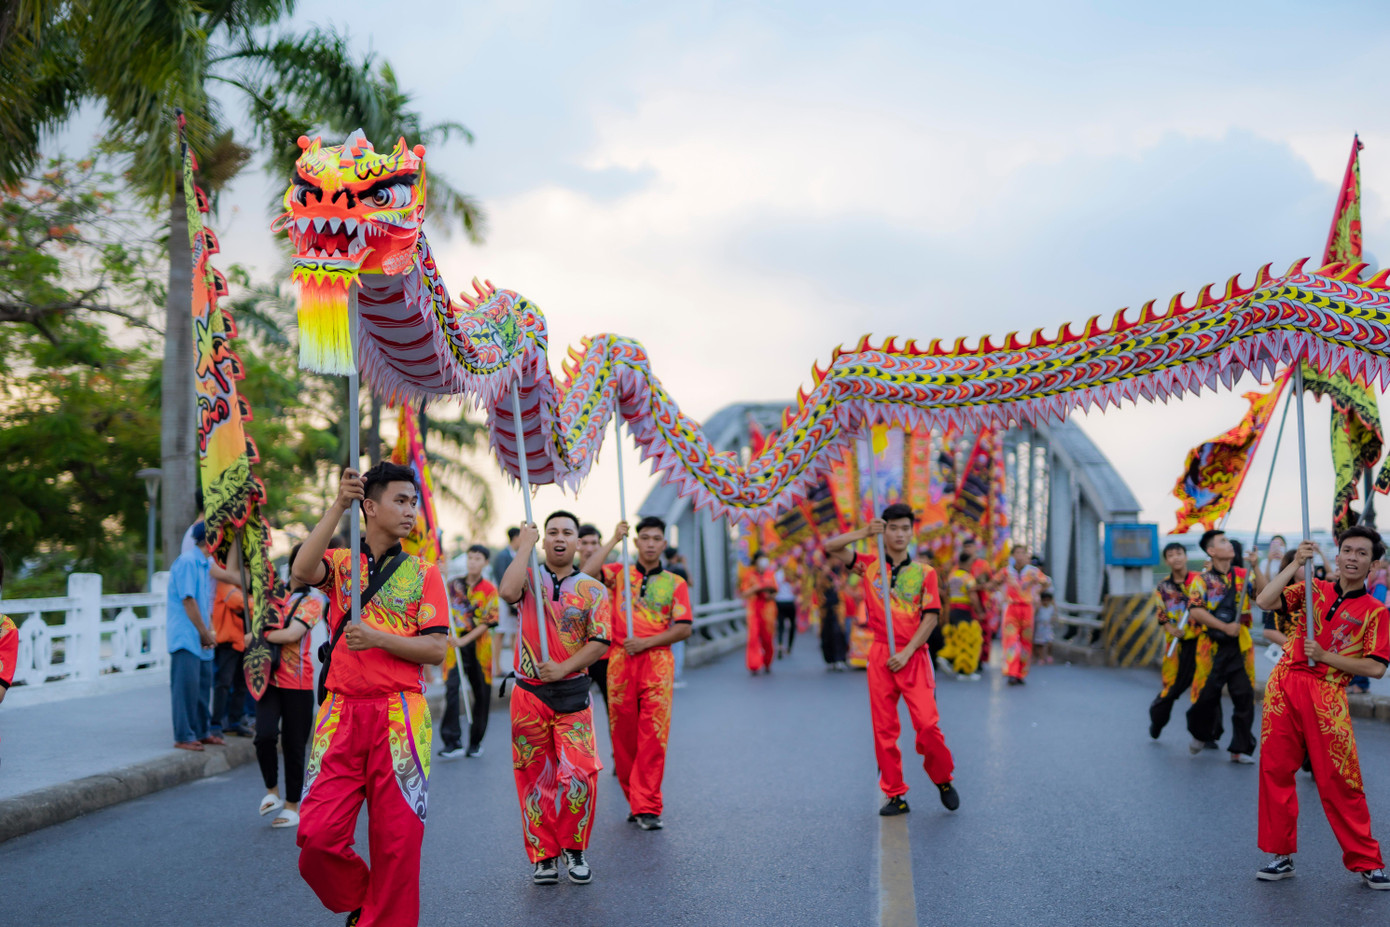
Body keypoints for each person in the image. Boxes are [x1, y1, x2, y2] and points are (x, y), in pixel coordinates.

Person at [291, 463, 448, 927]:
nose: (409, 510)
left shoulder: (425, 573)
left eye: (412, 502)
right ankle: (364, 896)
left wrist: (378, 638)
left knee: (397, 845)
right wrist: (339, 503)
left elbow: (436, 648)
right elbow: (301, 570)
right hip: (340, 714)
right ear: (371, 506)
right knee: (316, 836)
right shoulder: (341, 564)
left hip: (401, 717)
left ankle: (384, 918)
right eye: (399, 500)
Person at [1253, 530, 1390, 889]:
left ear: (1372, 563)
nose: (1352, 557)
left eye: (1362, 553)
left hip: (1327, 691)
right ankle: (1280, 855)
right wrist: (1297, 563)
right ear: (1338, 553)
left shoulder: (1377, 612)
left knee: (1340, 778)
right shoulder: (1313, 589)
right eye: (1346, 549)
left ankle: (1367, 860)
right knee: (1275, 770)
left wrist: (1326, 657)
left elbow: (1376, 667)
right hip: (1284, 684)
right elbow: (1265, 601)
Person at [826, 503, 959, 817]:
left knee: (927, 726)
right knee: (884, 729)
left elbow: (930, 618)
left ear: (912, 532)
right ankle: (895, 794)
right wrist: (863, 532)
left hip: (913, 654)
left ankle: (943, 779)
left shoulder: (924, 573)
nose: (900, 534)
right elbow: (831, 547)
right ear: (884, 531)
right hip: (881, 654)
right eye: (893, 528)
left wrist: (908, 651)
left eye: (905, 528)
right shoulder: (869, 566)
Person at [500, 511, 611, 885]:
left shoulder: (594, 590)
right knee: (534, 778)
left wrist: (563, 669)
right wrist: (523, 547)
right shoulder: (528, 578)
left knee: (580, 774)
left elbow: (600, 641)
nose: (559, 537)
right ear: (543, 540)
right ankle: (543, 855)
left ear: (578, 542)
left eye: (567, 532)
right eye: (551, 532)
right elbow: (506, 593)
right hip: (528, 695)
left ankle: (573, 847)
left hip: (572, 693)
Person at [583, 516, 692, 830]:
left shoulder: (676, 583)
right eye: (644, 537)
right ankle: (635, 800)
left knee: (653, 736)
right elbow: (587, 574)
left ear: (664, 543)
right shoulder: (618, 574)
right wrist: (614, 539)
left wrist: (646, 642)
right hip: (620, 660)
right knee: (623, 736)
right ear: (636, 542)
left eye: (656, 538)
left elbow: (683, 628)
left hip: (657, 662)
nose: (650, 543)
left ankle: (649, 806)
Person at [253, 543, 328, 831]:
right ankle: (272, 792)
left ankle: (293, 806)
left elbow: (292, 634)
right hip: (268, 678)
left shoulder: (313, 602)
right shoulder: (273, 595)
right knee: (264, 736)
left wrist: (259, 636)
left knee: (295, 746)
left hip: (298, 682)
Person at [1186, 528, 1260, 764]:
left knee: (1244, 696)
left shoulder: (1243, 573)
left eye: (1228, 541)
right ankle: (1200, 733)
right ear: (1211, 551)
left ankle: (1239, 749)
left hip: (1241, 645)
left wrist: (1256, 566)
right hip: (1212, 645)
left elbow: (1263, 595)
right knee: (1205, 695)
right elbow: (1196, 610)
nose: (1229, 545)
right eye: (1223, 541)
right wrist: (1224, 626)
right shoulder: (1202, 580)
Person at [440, 547, 498, 760]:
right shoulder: (453, 585)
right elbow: (442, 606)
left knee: (482, 693)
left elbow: (489, 621)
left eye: (478, 558)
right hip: (454, 645)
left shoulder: (490, 589)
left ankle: (475, 742)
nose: (473, 562)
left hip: (480, 647)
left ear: (485, 562)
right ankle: (451, 741)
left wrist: (464, 640)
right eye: (470, 558)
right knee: (451, 688)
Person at [167, 522, 218, 751]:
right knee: (185, 687)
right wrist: (205, 633)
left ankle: (201, 731)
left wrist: (207, 632)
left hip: (200, 635)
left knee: (202, 685)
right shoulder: (188, 561)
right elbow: (188, 600)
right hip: (187, 636)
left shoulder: (204, 564)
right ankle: (183, 736)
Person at [1149, 542, 1206, 740]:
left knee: (1205, 687)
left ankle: (1207, 734)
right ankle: (1157, 720)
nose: (1176, 558)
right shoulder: (1163, 586)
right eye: (1171, 555)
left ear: (1185, 556)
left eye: (1179, 553)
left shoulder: (1199, 579)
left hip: (1200, 641)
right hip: (1176, 645)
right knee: (1171, 686)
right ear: (1166, 560)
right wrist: (1171, 629)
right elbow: (1161, 613)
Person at [999, 543, 1049, 685]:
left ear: (1026, 555)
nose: (1020, 556)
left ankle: (1021, 673)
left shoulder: (1033, 572)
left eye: (1022, 553)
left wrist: (1037, 592)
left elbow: (1047, 582)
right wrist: (1002, 594)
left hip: (1027, 609)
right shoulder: (1005, 572)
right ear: (1013, 555)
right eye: (1017, 553)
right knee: (1011, 641)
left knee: (1026, 643)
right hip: (1012, 608)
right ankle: (1011, 672)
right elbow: (994, 583)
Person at [210, 579, 252, 737]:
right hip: (227, 643)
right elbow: (239, 603)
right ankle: (216, 723)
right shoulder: (224, 584)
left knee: (241, 684)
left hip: (243, 642)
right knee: (223, 684)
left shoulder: (243, 587)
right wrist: (252, 602)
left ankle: (234, 722)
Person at [577, 523, 612, 709]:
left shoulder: (611, 575)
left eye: (594, 543)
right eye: (585, 543)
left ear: (601, 545)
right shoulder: (570, 576)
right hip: (578, 655)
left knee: (615, 711)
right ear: (577, 545)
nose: (589, 548)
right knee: (574, 710)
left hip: (607, 656)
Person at [940, 552, 982, 679]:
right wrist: (979, 611)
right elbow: (973, 596)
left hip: (953, 610)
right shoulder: (968, 577)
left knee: (955, 639)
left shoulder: (952, 576)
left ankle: (947, 658)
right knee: (967, 641)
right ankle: (963, 670)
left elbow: (947, 594)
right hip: (964, 611)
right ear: (968, 562)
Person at [491, 526, 523, 677]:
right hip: (502, 601)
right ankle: (496, 667)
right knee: (500, 632)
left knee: (514, 633)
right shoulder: (503, 556)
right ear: (516, 538)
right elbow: (500, 579)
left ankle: (518, 665)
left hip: (512, 601)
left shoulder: (514, 554)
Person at [741, 554, 777, 675]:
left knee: (767, 639)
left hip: (768, 611)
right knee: (753, 637)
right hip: (754, 610)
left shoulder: (770, 574)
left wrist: (769, 594)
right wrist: (756, 588)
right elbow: (744, 593)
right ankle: (754, 665)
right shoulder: (749, 575)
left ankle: (767, 662)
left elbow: (775, 591)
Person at [819, 563, 849, 670]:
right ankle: (830, 660)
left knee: (838, 633)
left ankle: (840, 659)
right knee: (826, 635)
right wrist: (823, 574)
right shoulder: (821, 569)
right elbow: (818, 587)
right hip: (825, 608)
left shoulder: (841, 571)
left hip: (838, 607)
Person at [773, 563, 797, 658]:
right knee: (792, 625)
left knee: (780, 625)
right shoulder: (792, 574)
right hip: (790, 601)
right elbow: (797, 588)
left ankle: (780, 644)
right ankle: (789, 647)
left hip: (780, 601)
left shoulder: (776, 574)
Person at [1033, 589, 1056, 664]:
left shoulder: (1051, 608)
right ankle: (1041, 657)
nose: (1046, 602)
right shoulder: (1039, 608)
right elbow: (1034, 614)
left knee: (1049, 642)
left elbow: (1055, 615)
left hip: (1048, 628)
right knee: (1040, 643)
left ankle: (1049, 655)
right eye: (1044, 600)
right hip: (1040, 628)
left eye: (1048, 600)